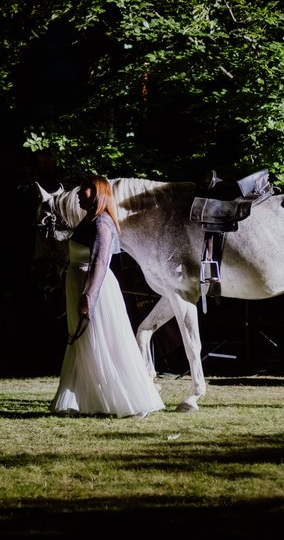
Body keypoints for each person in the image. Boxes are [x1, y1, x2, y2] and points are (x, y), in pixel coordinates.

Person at [50, 175, 166, 418]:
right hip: (78, 284)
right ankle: (85, 400)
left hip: (95, 289)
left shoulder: (102, 223)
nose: (80, 195)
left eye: (85, 190)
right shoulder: (87, 220)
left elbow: (101, 262)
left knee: (104, 341)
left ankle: (131, 400)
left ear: (98, 192)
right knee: (83, 342)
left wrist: (88, 296)